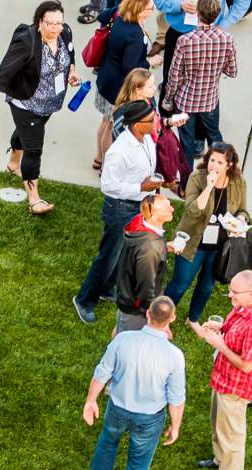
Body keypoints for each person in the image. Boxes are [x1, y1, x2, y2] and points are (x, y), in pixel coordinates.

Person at [84, 297, 189, 470]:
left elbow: (102, 372)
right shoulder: (174, 356)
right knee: (138, 464)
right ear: (172, 318)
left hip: (118, 408)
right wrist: (176, 425)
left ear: (148, 314)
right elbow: (176, 396)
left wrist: (91, 400)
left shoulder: (123, 340)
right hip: (149, 418)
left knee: (107, 445)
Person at [0, 2, 82, 215]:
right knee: (34, 149)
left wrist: (72, 72)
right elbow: (3, 72)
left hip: (49, 103)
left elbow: (70, 54)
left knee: (25, 134)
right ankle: (34, 199)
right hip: (26, 103)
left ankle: (12, 164)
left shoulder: (65, 32)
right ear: (39, 21)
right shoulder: (27, 41)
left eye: (59, 22)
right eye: (51, 23)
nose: (56, 28)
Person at [75, 102, 168, 321]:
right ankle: (84, 300)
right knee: (108, 256)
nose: (155, 122)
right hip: (120, 207)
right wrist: (140, 187)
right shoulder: (119, 151)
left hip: (138, 204)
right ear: (137, 125)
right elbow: (107, 185)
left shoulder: (146, 139)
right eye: (151, 120)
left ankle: (108, 288)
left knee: (127, 252)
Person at [191, 268, 252, 470]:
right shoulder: (243, 306)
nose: (231, 296)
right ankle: (219, 459)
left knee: (233, 438)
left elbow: (247, 365)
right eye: (230, 290)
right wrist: (221, 329)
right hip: (223, 379)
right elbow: (232, 328)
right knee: (218, 424)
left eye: (235, 292)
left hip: (237, 387)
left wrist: (219, 345)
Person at [165, 145, 244, 323]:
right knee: (180, 284)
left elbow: (242, 210)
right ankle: (162, 316)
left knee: (207, 286)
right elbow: (192, 211)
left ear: (229, 165)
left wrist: (240, 221)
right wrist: (209, 188)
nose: (214, 165)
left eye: (219, 162)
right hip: (193, 242)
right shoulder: (197, 178)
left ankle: (193, 319)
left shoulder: (238, 182)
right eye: (211, 160)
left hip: (219, 246)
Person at [165, 0, 238, 167]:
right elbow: (232, 72)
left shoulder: (184, 40)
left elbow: (174, 76)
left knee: (186, 143)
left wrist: (168, 100)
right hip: (210, 99)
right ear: (218, 13)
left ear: (197, 13)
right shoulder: (227, 39)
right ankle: (220, 172)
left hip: (185, 101)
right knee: (215, 137)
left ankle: (186, 183)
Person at [92, 3, 155, 176]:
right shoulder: (134, 34)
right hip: (118, 88)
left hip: (106, 78)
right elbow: (130, 68)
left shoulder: (120, 16)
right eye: (149, 7)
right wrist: (150, 63)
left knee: (106, 121)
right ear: (138, 9)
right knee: (111, 126)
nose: (152, 9)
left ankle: (99, 158)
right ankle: (106, 166)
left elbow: (102, 17)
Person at [111, 191, 176, 331]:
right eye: (166, 208)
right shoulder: (150, 249)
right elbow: (146, 287)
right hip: (136, 310)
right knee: (127, 344)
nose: (172, 209)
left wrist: (163, 247)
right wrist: (154, 316)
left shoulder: (140, 222)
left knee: (120, 329)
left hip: (126, 296)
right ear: (153, 215)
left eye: (169, 204)